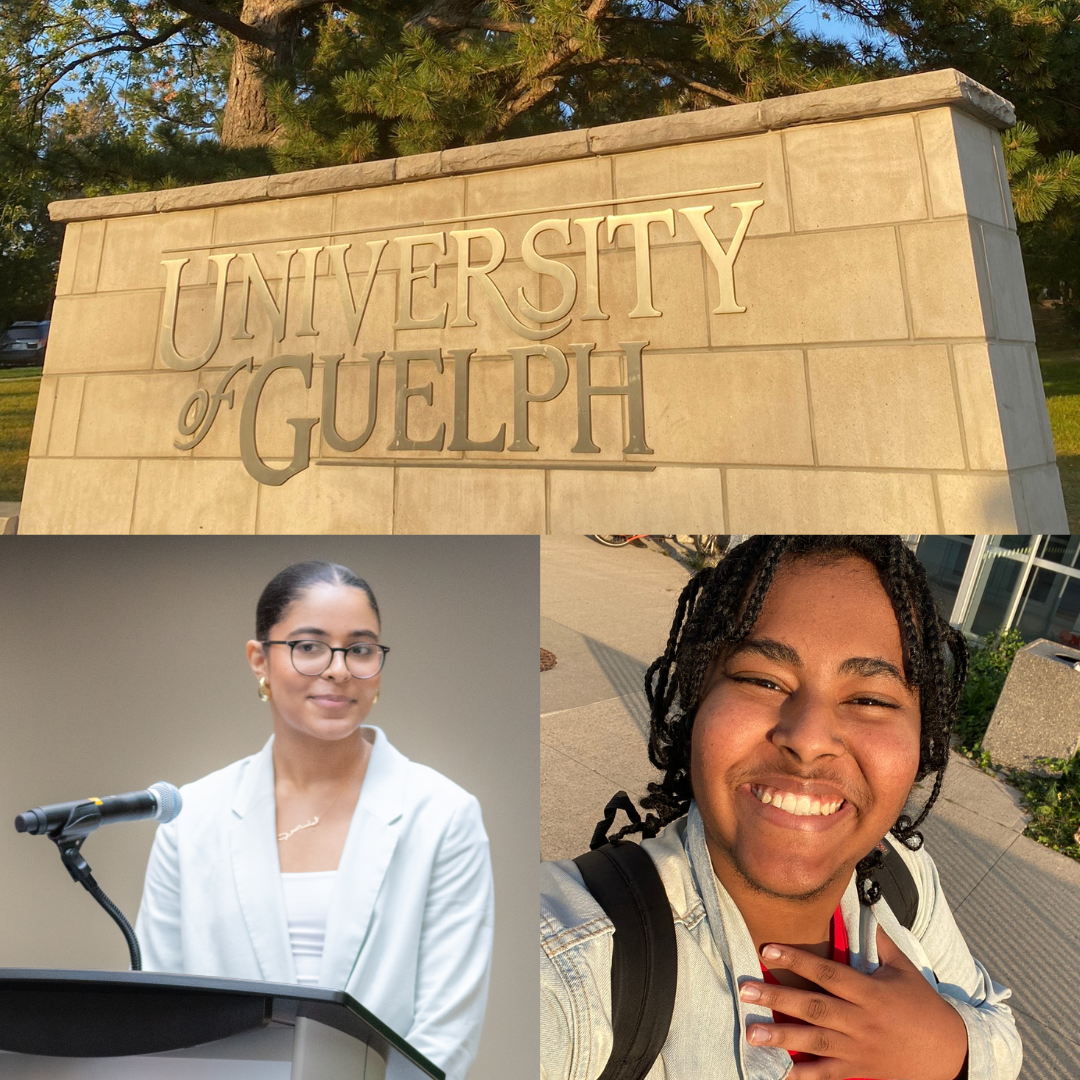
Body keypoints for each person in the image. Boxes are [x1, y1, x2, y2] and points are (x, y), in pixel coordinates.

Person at [540, 536, 1022, 1080]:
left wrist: (950, 1049)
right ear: (696, 705)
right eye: (762, 680)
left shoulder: (903, 878)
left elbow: (996, 1021)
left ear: (923, 740)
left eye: (870, 699)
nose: (809, 738)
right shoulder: (569, 970)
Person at [136, 560, 494, 1080]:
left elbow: (444, 1036)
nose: (339, 668)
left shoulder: (442, 813)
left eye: (361, 648)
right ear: (259, 659)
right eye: (309, 646)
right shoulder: (191, 817)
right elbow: (156, 1015)